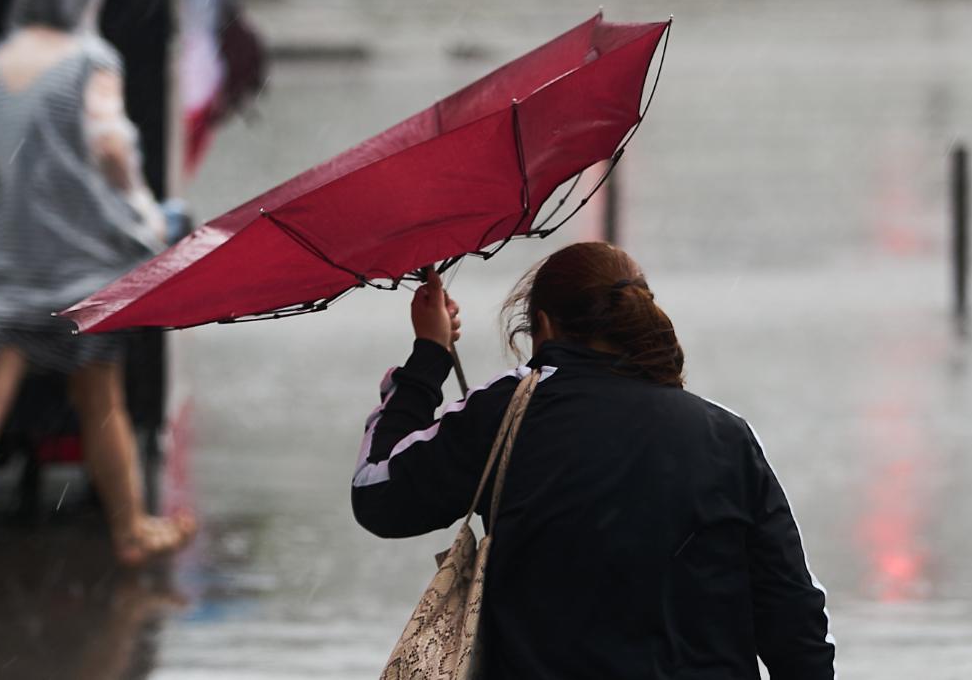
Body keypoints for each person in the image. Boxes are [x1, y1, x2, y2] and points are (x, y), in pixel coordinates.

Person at [351, 243, 835, 679]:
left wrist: (429, 355)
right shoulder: (724, 434)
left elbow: (378, 494)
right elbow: (793, 610)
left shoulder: (506, 411)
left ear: (542, 325)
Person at [0, 0, 194, 585]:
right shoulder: (90, 60)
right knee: (100, 398)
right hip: (82, 259)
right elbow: (111, 145)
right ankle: (130, 529)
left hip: (9, 257)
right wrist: (145, 213)